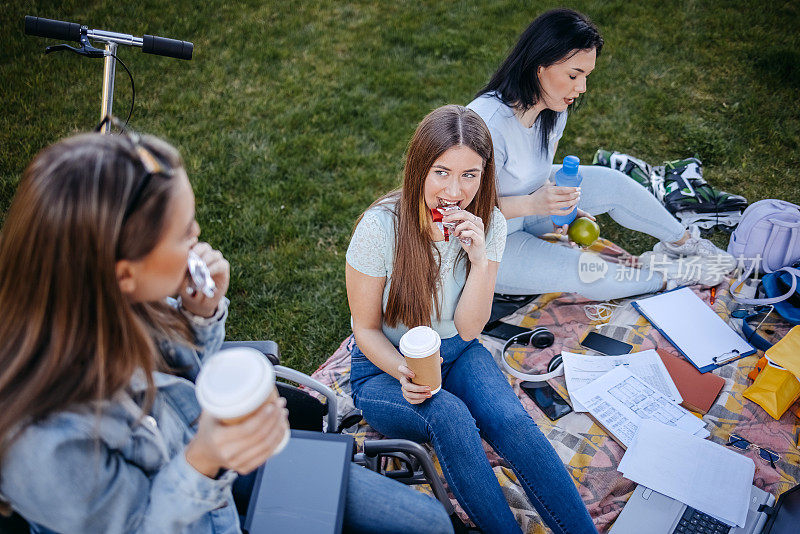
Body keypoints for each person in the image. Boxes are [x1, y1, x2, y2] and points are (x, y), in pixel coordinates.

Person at [0, 132, 453, 534]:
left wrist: (200, 318)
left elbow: (187, 379)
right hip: (194, 496)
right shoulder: (44, 444)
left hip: (219, 464)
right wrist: (204, 460)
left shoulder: (120, 303)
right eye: (182, 234)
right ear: (123, 274)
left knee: (430, 522)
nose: (198, 237)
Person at [346, 104, 596, 534]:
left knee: (513, 422)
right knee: (451, 416)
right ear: (418, 168)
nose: (455, 191)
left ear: (485, 175)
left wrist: (479, 261)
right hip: (384, 369)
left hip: (458, 350)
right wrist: (403, 371)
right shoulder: (379, 228)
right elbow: (364, 327)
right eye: (441, 172)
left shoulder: (489, 222)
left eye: (470, 175)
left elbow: (467, 330)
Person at [467, 8, 735, 301]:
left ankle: (683, 245)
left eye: (586, 75)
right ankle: (667, 276)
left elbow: (539, 177)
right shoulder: (486, 125)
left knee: (612, 182)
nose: (581, 88)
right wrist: (534, 204)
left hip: (525, 214)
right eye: (573, 75)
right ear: (538, 66)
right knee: (590, 272)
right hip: (484, 245)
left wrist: (562, 210)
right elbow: (462, 211)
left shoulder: (553, 109)